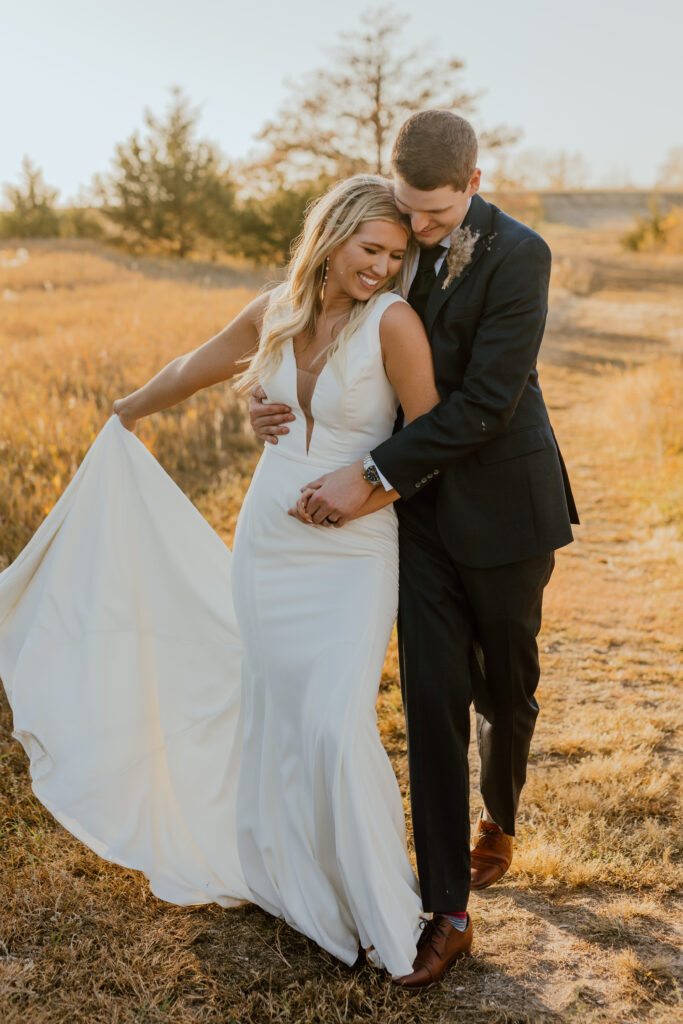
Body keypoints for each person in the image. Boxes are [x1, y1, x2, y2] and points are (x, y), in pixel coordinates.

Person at [0, 175, 455, 981]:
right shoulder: (274, 310)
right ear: (332, 236)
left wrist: (367, 488)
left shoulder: (395, 323)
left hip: (352, 550)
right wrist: (126, 410)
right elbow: (196, 366)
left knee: (330, 720)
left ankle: (380, 907)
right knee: (276, 713)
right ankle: (292, 875)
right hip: (268, 545)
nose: (383, 267)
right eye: (369, 249)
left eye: (395, 255)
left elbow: (428, 440)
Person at [249, 111, 580, 988]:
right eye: (407, 212)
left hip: (504, 505)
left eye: (434, 216)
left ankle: (498, 817)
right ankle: (446, 909)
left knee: (502, 685)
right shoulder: (383, 238)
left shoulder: (520, 255)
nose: (417, 233)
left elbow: (486, 402)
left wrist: (371, 474)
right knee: (432, 696)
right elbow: (320, 335)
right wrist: (268, 400)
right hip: (418, 521)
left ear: (472, 184)